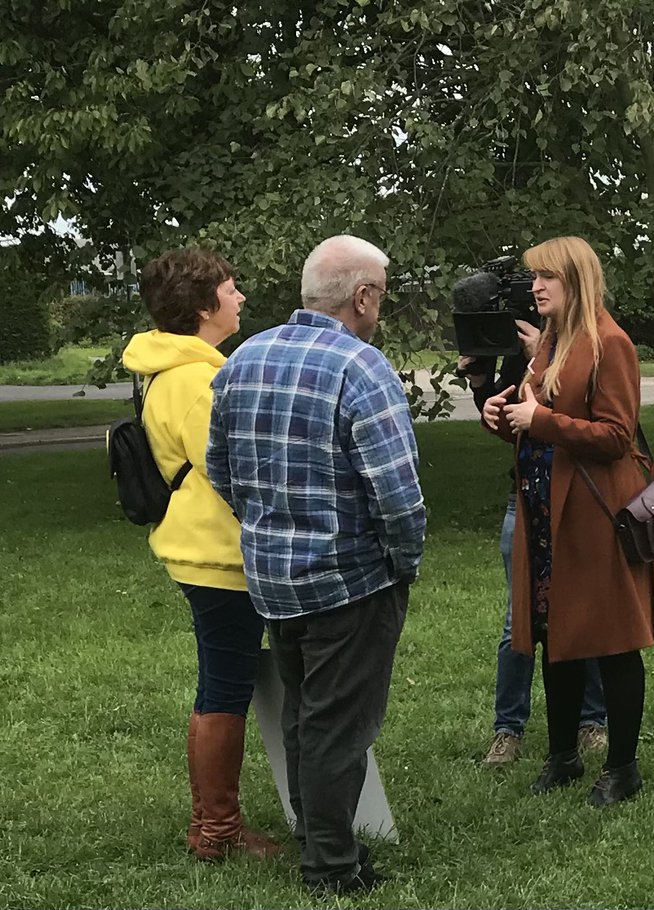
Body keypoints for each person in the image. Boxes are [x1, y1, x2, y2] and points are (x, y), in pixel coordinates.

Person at [208, 234, 426, 895]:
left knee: (306, 716)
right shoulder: (362, 367)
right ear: (362, 297)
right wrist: (402, 562)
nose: (379, 307)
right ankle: (331, 868)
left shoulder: (243, 359)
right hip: (349, 582)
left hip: (272, 580)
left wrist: (270, 528)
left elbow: (220, 471)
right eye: (380, 295)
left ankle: (319, 841)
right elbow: (398, 494)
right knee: (338, 728)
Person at [482, 236, 654, 807]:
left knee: (612, 641)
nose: (535, 286)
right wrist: (500, 416)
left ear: (576, 280)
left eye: (547, 277)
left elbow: (616, 436)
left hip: (594, 518)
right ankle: (562, 755)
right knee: (553, 633)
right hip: (545, 512)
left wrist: (540, 419)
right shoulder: (551, 342)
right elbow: (534, 423)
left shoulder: (611, 343)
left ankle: (622, 767)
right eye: (534, 277)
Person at [121, 247, 280, 861]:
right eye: (232, 289)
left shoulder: (175, 367)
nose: (240, 298)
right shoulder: (196, 380)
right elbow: (232, 471)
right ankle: (217, 830)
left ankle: (212, 824)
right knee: (224, 688)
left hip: (201, 548)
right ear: (205, 305)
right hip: (217, 555)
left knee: (221, 683)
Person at [459, 328, 608, 768]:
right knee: (518, 621)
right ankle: (508, 729)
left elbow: (581, 423)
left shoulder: (583, 345)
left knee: (580, 613)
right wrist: (483, 389)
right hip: (524, 500)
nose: (538, 296)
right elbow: (518, 426)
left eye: (545, 290)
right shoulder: (522, 346)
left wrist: (540, 357)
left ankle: (591, 721)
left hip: (573, 497)